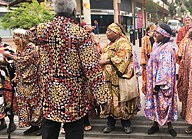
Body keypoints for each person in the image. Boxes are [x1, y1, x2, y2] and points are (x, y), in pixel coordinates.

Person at [25, 0, 107, 138]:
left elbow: (26, 35)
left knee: (49, 129)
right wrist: (102, 96)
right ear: (73, 12)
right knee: (74, 130)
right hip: (73, 95)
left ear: (55, 11)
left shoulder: (41, 30)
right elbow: (91, 67)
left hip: (49, 92)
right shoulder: (80, 34)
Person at [99, 23, 140, 134]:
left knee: (123, 101)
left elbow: (122, 58)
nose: (107, 33)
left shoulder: (124, 43)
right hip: (109, 80)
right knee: (110, 101)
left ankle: (126, 124)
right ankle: (110, 123)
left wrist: (106, 61)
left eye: (109, 31)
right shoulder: (109, 44)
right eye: (107, 30)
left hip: (120, 79)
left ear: (116, 32)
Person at [3, 29, 42, 135]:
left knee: (35, 103)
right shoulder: (20, 48)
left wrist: (11, 56)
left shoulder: (32, 47)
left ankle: (40, 124)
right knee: (24, 104)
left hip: (32, 80)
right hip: (21, 81)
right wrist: (16, 75)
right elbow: (18, 65)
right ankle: (32, 125)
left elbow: (24, 60)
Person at [144, 24, 178, 137]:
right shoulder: (156, 45)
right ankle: (155, 124)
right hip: (153, 80)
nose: (155, 34)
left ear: (164, 35)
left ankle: (169, 126)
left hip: (162, 84)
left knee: (165, 103)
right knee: (155, 103)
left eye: (158, 33)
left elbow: (165, 68)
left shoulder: (167, 48)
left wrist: (157, 86)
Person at [0, 37, 17, 134]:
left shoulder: (5, 47)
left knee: (8, 100)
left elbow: (13, 59)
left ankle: (11, 122)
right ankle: (2, 122)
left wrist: (4, 59)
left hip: (5, 78)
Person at [140, 24, 157, 95]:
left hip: (155, 62)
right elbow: (143, 51)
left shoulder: (156, 38)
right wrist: (143, 62)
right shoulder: (145, 39)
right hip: (147, 61)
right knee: (147, 79)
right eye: (152, 31)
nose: (153, 32)